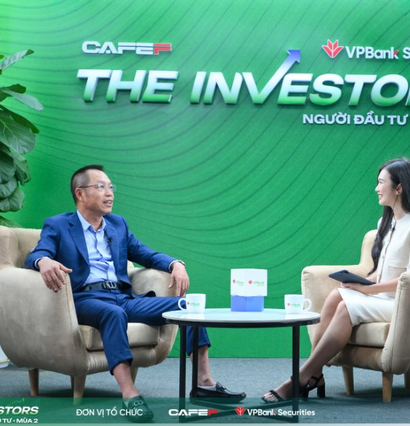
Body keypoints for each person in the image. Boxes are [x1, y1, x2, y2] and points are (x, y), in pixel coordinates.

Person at [25, 165, 245, 423]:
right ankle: (130, 394)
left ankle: (204, 382)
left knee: (188, 307)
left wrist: (175, 264)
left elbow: (145, 254)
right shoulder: (59, 225)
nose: (109, 193)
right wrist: (43, 261)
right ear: (80, 193)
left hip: (123, 297)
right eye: (101, 187)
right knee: (112, 313)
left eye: (111, 187)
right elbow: (37, 254)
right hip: (85, 299)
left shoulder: (117, 225)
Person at [262, 157, 410, 402]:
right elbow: (382, 271)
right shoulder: (385, 222)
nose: (376, 188)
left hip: (402, 303)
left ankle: (301, 377)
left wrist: (367, 290)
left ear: (399, 188)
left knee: (345, 308)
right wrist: (360, 282)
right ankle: (315, 374)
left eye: (381, 182)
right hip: (381, 298)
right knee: (336, 295)